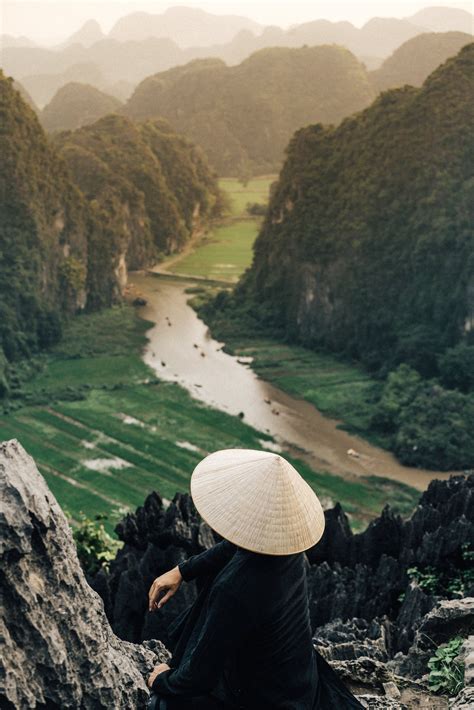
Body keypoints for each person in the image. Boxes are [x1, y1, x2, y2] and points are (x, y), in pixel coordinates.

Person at [147, 449, 363, 709]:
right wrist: (183, 570)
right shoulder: (286, 550)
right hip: (299, 683)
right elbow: (236, 546)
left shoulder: (235, 590)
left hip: (265, 700)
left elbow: (197, 679)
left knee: (161, 703)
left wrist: (161, 680)